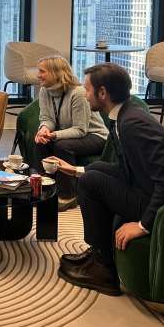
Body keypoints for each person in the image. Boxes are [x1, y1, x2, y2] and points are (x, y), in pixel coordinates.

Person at [48, 63, 164, 296]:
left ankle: (104, 268)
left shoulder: (133, 124)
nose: (84, 95)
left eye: (87, 89)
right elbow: (129, 169)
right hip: (150, 189)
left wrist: (142, 225)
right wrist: (76, 170)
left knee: (91, 182)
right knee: (94, 169)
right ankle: (98, 251)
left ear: (102, 93)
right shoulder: (125, 114)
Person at [33, 55, 109, 211]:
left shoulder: (78, 93)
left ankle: (68, 195)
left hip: (95, 136)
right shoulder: (44, 91)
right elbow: (47, 118)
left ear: (56, 73)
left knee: (62, 146)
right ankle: (46, 189)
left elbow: (80, 129)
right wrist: (44, 130)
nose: (38, 75)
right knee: (41, 142)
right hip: (69, 133)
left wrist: (54, 135)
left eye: (42, 71)